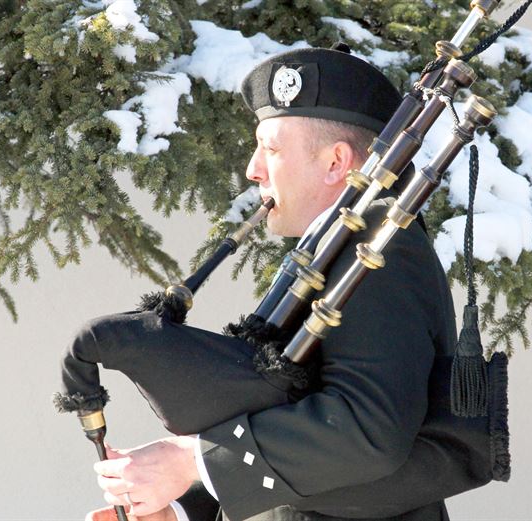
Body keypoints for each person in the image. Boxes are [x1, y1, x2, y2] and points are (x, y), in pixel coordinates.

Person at [74, 45, 481, 521]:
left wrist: (190, 461)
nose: (253, 169)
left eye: (270, 148)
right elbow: (293, 428)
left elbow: (367, 432)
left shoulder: (382, 247)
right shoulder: (329, 250)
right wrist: (182, 512)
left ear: (335, 163)